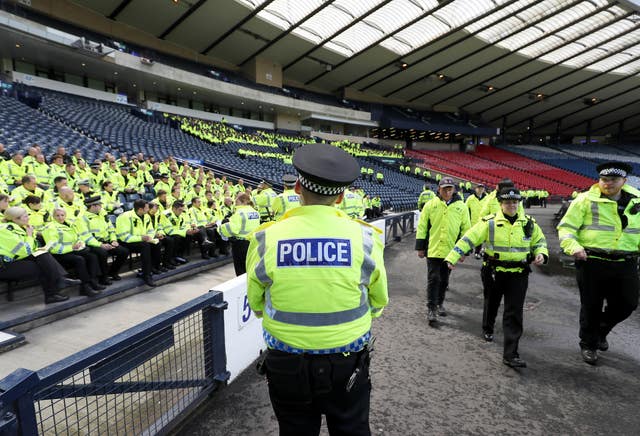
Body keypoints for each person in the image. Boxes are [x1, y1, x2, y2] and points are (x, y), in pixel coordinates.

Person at [247, 143, 388, 436]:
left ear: (297, 188)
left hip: (287, 363)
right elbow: (378, 301)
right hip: (348, 363)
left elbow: (257, 303)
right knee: (352, 429)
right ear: (339, 196)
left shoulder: (264, 239)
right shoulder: (366, 238)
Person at [445, 188, 548, 368]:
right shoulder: (489, 223)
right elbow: (469, 238)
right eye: (508, 202)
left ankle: (511, 354)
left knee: (514, 313)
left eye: (515, 202)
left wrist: (541, 254)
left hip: (518, 274)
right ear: (501, 204)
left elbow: (539, 242)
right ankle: (488, 328)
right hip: (494, 272)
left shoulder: (529, 224)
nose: (512, 205)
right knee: (491, 303)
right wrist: (453, 257)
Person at [557, 162, 640, 365]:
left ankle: (600, 330)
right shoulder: (585, 200)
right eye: (604, 179)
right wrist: (573, 246)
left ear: (624, 181)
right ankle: (589, 344)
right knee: (591, 305)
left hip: (626, 261)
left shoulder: (637, 202)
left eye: (613, 180)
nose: (608, 183)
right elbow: (566, 228)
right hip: (591, 261)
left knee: (627, 304)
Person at [415, 177, 470, 325]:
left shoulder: (461, 207)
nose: (447, 191)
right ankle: (431, 308)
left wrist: (463, 251)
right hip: (433, 249)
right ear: (439, 189)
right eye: (444, 188)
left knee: (444, 280)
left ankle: (440, 303)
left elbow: (466, 229)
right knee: (434, 279)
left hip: (451, 251)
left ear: (454, 190)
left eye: (450, 188)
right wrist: (420, 247)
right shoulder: (430, 205)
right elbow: (422, 227)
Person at [0, 207, 79, 303]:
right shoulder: (5, 231)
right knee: (42, 266)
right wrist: (29, 235)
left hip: (18, 258)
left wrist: (34, 237)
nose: (28, 218)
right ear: (15, 219)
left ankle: (58, 283)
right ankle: (53, 291)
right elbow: (24, 251)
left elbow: (30, 248)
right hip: (5, 265)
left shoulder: (21, 227)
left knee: (43, 255)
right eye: (25, 216)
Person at [42, 208, 105, 297]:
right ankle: (85, 287)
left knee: (92, 256)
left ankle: (92, 282)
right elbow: (53, 248)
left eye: (62, 215)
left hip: (72, 251)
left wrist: (80, 244)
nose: (60, 217)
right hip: (59, 254)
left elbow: (79, 238)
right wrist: (71, 247)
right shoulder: (50, 227)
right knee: (79, 259)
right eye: (57, 215)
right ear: (53, 216)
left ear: (65, 215)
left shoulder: (70, 224)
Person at [75, 196, 130, 282]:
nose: (101, 206)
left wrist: (113, 240)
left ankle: (112, 272)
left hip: (107, 241)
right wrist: (101, 245)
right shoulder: (82, 218)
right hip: (93, 243)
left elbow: (111, 228)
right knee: (102, 253)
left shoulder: (102, 213)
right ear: (93, 206)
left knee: (124, 251)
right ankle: (103, 278)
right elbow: (86, 237)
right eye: (99, 205)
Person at [115, 199, 157, 287]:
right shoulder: (125, 217)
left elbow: (151, 230)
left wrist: (150, 237)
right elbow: (124, 237)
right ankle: (146, 275)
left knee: (156, 243)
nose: (148, 209)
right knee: (145, 246)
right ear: (140, 209)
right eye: (146, 208)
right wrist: (141, 238)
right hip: (126, 242)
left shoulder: (146, 216)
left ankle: (153, 268)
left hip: (140, 240)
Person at [218, 193, 260, 275]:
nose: (235, 203)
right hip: (253, 243)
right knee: (250, 268)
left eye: (237, 201)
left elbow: (233, 229)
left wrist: (220, 228)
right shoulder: (255, 212)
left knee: (240, 270)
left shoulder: (239, 213)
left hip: (240, 245)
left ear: (243, 201)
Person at [465, 183, 487, 259]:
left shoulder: (487, 198)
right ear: (475, 189)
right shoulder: (470, 198)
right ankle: (469, 249)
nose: (480, 190)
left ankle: (477, 252)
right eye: (479, 188)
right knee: (470, 237)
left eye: (482, 188)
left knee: (480, 238)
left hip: (482, 222)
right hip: (472, 222)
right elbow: (466, 210)